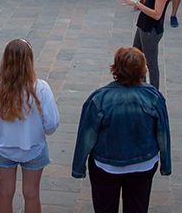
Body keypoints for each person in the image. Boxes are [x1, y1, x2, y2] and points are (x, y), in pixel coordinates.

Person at [71, 47, 171, 213]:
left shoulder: (99, 99)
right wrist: (165, 164)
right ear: (142, 70)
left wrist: (78, 167)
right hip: (143, 163)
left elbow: (86, 136)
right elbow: (163, 134)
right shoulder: (154, 97)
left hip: (106, 164)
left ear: (115, 69)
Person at [0, 39, 60, 213]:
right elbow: (52, 124)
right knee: (32, 194)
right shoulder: (41, 88)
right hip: (33, 148)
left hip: (2, 147)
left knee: (5, 193)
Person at [118, 0, 171, 90]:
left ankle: (154, 91)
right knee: (137, 57)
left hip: (151, 30)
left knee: (151, 63)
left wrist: (136, 4)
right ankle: (140, 86)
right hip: (143, 25)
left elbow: (157, 14)